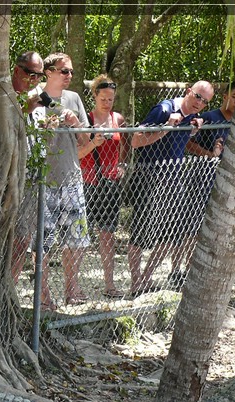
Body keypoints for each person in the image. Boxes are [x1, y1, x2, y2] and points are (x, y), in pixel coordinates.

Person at [128, 81, 213, 295]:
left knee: (172, 234)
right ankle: (135, 283)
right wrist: (165, 127)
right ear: (188, 92)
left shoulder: (191, 117)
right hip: (149, 176)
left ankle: (146, 279)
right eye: (197, 97)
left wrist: (192, 131)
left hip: (173, 179)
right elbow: (136, 141)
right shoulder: (164, 109)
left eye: (205, 101)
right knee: (140, 232)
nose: (199, 103)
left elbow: (181, 142)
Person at [35, 52, 92, 308]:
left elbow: (85, 140)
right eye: (64, 71)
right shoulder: (36, 97)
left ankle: (72, 289)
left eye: (71, 72)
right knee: (42, 241)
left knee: (76, 238)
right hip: (43, 180)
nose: (69, 76)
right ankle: (43, 294)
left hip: (71, 177)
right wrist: (47, 127)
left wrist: (75, 123)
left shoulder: (74, 98)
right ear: (48, 71)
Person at [179, 82, 235, 286]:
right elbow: (187, 142)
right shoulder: (209, 117)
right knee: (193, 223)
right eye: (233, 96)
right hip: (202, 177)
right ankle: (181, 269)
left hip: (229, 181)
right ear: (224, 96)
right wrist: (209, 155)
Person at [78, 75, 128, 298]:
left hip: (111, 184)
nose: (107, 103)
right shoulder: (85, 119)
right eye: (104, 99)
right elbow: (78, 150)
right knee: (79, 235)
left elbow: (125, 145)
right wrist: (93, 143)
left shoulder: (118, 119)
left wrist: (123, 166)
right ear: (95, 96)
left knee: (107, 234)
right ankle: (74, 286)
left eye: (111, 99)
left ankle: (109, 284)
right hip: (88, 182)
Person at [9, 50, 48, 284]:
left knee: (23, 237)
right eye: (31, 74)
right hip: (8, 179)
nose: (34, 81)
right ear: (17, 70)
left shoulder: (36, 99)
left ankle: (11, 285)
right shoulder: (4, 95)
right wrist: (25, 109)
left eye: (39, 76)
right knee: (4, 236)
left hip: (33, 179)